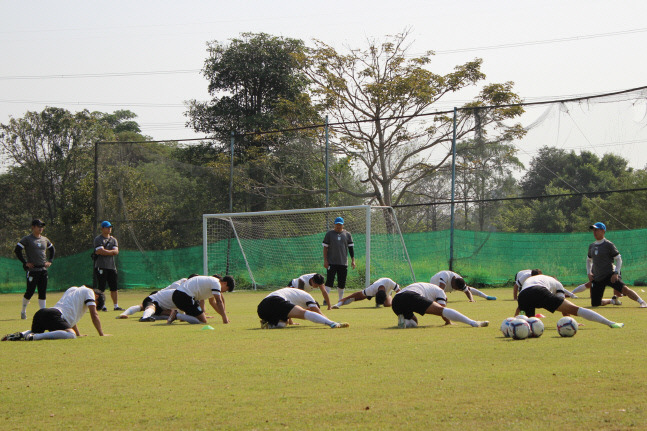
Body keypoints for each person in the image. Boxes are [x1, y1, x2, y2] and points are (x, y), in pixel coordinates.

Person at [2, 285, 110, 341]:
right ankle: (35, 337)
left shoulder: (73, 289)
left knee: (36, 331)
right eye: (96, 303)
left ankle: (20, 334)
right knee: (70, 335)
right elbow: (94, 314)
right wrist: (101, 334)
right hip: (54, 315)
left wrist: (79, 333)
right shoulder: (90, 292)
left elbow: (70, 318)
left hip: (42, 313)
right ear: (96, 297)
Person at [518, 274, 624, 328]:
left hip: (522, 296)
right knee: (576, 309)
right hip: (538, 291)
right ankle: (610, 323)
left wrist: (514, 319)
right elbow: (564, 306)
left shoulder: (538, 278)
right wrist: (572, 322)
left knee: (527, 324)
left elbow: (519, 308)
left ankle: (511, 327)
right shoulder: (557, 283)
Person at [587, 222, 646, 308]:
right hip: (597, 278)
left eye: (597, 230)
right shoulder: (591, 246)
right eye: (593, 230)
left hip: (609, 275)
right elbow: (588, 260)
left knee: (624, 289)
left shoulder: (608, 245)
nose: (594, 232)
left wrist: (616, 273)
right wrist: (589, 272)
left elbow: (618, 259)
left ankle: (642, 302)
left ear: (603, 231)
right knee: (595, 304)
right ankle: (612, 301)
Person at [392, 282, 489, 328]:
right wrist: (448, 322)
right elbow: (442, 309)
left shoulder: (429, 287)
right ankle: (473, 322)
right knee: (442, 311)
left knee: (414, 322)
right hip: (410, 295)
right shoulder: (441, 292)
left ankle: (405, 322)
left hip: (396, 300)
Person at [14, 219, 55, 320]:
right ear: (33, 227)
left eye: (42, 226)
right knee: (30, 292)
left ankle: (43, 313)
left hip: (43, 269)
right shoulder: (27, 239)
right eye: (38, 226)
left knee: (42, 291)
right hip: (33, 270)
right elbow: (17, 250)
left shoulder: (45, 239)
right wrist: (25, 262)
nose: (41, 228)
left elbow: (52, 249)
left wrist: (50, 261)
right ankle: (23, 311)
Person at [257, 287, 349, 329]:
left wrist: (291, 322)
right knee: (304, 314)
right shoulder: (309, 298)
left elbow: (287, 311)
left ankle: (268, 324)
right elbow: (317, 312)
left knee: (283, 324)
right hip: (274, 300)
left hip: (262, 309)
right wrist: (330, 321)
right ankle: (332, 324)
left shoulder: (296, 297)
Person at [117, 275, 198, 320]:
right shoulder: (180, 287)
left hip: (166, 303)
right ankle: (142, 317)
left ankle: (152, 316)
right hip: (158, 296)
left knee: (172, 315)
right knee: (144, 306)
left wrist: (197, 314)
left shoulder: (189, 290)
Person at [167, 275, 234, 325]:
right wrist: (225, 318)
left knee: (197, 317)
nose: (224, 292)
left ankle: (181, 316)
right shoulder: (216, 283)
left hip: (179, 295)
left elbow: (212, 302)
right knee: (203, 320)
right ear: (225, 283)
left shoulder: (213, 282)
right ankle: (177, 315)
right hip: (184, 296)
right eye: (226, 289)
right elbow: (219, 301)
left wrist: (222, 315)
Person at [322, 216, 356, 304]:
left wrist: (353, 260)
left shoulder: (347, 234)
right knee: (329, 281)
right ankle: (326, 300)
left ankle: (340, 299)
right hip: (331, 262)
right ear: (334, 224)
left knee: (342, 282)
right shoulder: (329, 234)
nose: (338, 226)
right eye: (336, 224)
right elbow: (325, 248)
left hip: (343, 263)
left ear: (343, 225)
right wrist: (325, 260)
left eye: (340, 225)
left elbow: (351, 249)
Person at [93, 220, 121, 311]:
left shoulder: (113, 240)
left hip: (111, 267)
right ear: (102, 228)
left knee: (114, 287)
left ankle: (116, 306)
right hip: (101, 266)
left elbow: (116, 252)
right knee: (101, 287)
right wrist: (110, 252)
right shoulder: (98, 239)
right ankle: (102, 305)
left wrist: (106, 252)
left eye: (110, 227)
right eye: (107, 227)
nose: (109, 229)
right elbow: (101, 251)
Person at [332, 277, 401, 308]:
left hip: (387, 292)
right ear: (376, 294)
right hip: (375, 288)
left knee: (387, 305)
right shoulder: (372, 289)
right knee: (358, 298)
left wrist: (399, 302)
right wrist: (345, 298)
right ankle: (339, 304)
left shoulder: (390, 282)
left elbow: (399, 291)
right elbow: (358, 294)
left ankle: (389, 295)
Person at [429, 270, 497, 302]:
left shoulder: (460, 280)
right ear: (454, 283)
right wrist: (443, 298)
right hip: (435, 284)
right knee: (435, 295)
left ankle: (486, 296)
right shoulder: (445, 275)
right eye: (456, 288)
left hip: (444, 286)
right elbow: (440, 290)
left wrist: (471, 300)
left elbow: (467, 291)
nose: (456, 290)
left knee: (468, 289)